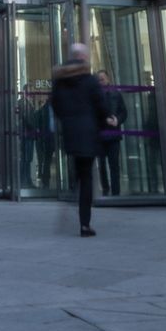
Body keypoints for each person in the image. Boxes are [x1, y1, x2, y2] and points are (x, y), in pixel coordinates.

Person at [49, 42, 110, 237]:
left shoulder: (60, 80)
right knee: (87, 177)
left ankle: (72, 198)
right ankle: (85, 223)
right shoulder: (89, 79)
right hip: (89, 133)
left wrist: (67, 120)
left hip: (71, 132)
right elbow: (100, 104)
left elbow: (55, 104)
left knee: (78, 171)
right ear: (83, 57)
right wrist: (107, 118)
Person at [97, 71, 126, 198]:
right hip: (100, 136)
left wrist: (117, 120)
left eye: (103, 79)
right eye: (99, 80)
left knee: (114, 165)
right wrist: (104, 120)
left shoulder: (116, 94)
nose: (101, 82)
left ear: (108, 79)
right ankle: (105, 188)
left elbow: (124, 112)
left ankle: (115, 192)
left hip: (114, 135)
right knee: (102, 164)